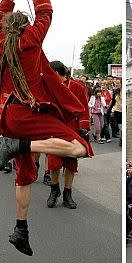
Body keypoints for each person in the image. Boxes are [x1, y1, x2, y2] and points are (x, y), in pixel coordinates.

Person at [0, 0, 93, 256]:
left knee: (24, 176)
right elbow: (45, 11)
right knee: (79, 148)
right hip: (26, 113)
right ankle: (20, 147)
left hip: (6, 116)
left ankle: (20, 229)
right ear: (25, 27)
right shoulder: (32, 41)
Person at [45, 60, 91, 209]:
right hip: (54, 128)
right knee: (53, 162)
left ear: (57, 74)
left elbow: (84, 108)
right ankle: (54, 189)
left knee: (71, 163)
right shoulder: (49, 87)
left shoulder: (77, 87)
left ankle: (67, 193)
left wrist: (84, 127)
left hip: (72, 129)